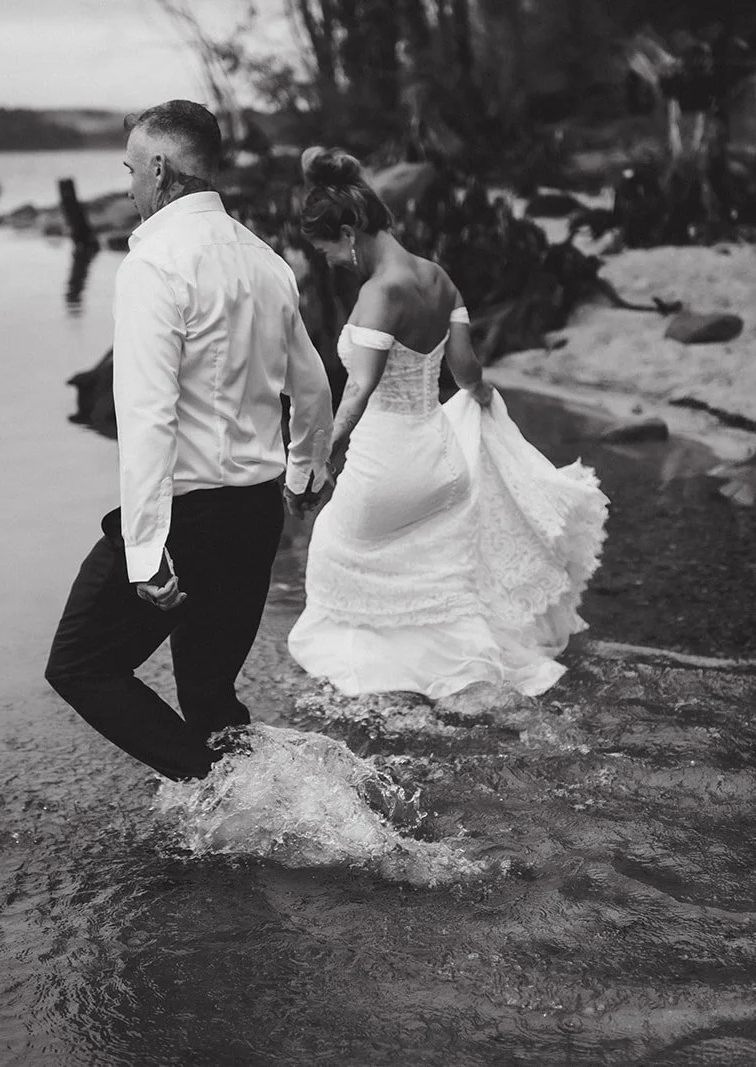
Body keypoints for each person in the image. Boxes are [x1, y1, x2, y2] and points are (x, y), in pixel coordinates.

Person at [45, 101, 335, 781]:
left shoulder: (153, 264)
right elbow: (313, 387)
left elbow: (147, 417)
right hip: (256, 513)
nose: (128, 187)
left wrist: (146, 550)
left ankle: (208, 789)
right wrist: (304, 472)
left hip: (186, 520)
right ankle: (255, 815)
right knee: (208, 693)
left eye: (131, 170)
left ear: (161, 168)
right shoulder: (266, 261)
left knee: (81, 664)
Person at [287, 147, 608, 700]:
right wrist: (484, 402)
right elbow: (467, 373)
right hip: (443, 463)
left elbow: (359, 388)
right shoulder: (438, 277)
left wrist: (319, 456)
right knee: (433, 581)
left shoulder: (378, 293)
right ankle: (460, 675)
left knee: (333, 556)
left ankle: (383, 690)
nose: (332, 263)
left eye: (327, 250)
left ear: (348, 231)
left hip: (386, 465)